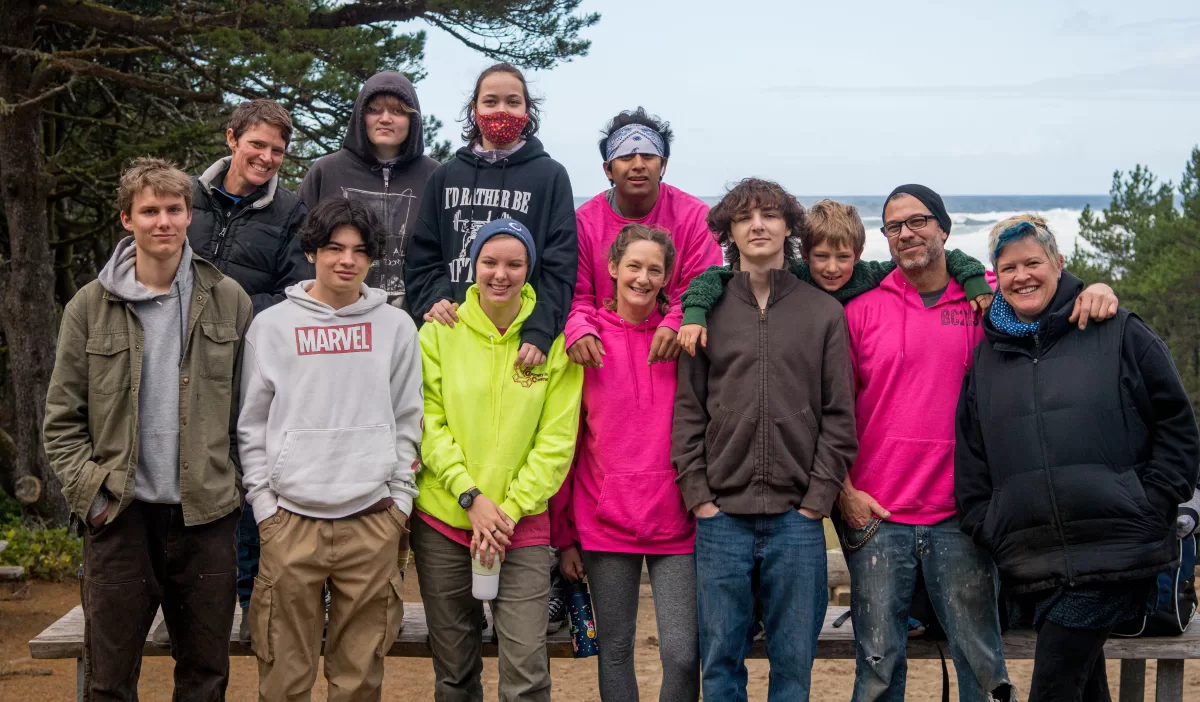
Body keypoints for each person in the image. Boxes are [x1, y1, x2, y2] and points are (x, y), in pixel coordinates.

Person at [839, 185, 1119, 702]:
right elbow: (830, 413)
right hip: (877, 518)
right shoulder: (861, 312)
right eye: (894, 226)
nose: (907, 233)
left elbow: (1046, 299)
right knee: (876, 667)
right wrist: (846, 492)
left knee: (982, 665)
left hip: (961, 516)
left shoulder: (988, 303)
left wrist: (1094, 288)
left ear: (944, 228)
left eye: (918, 221)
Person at [956, 215, 1200, 702]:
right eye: (1009, 268)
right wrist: (992, 523)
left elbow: (1178, 427)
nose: (1022, 275)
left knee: (1052, 687)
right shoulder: (987, 361)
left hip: (1116, 550)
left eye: (1033, 262)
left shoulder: (1119, 331)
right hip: (1033, 560)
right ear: (995, 277)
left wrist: (1149, 505)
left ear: (1059, 263)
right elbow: (973, 458)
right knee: (1085, 687)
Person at [43, 157, 253, 699]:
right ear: (126, 219)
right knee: (109, 680)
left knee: (205, 676)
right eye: (150, 210)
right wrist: (92, 498)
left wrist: (235, 488)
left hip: (205, 519)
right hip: (119, 518)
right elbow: (62, 421)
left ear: (190, 216)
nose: (164, 221)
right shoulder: (89, 307)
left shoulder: (228, 299)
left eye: (175, 209)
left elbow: (249, 415)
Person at [672, 178, 858, 701]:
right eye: (746, 216)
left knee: (793, 669)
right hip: (721, 519)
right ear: (730, 229)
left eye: (771, 214)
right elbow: (688, 411)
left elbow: (839, 416)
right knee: (721, 667)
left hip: (797, 523)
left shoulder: (823, 312)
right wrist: (700, 500)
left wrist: (816, 502)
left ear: (788, 227)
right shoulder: (705, 310)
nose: (758, 224)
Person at [237, 198, 421, 700]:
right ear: (313, 251)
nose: (347, 260)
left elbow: (409, 418)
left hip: (372, 520)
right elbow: (251, 425)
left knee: (359, 681)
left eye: (360, 251)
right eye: (335, 248)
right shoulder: (271, 326)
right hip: (290, 521)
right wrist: (265, 507)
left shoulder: (396, 328)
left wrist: (399, 503)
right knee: (283, 679)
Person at [411, 218, 583, 701]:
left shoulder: (551, 340)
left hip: (520, 526)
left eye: (514, 263)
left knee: (527, 674)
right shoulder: (439, 331)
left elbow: (556, 441)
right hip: (444, 519)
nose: (500, 274)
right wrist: (469, 496)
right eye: (489, 262)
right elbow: (428, 423)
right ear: (473, 265)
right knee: (455, 672)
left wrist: (506, 510)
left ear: (530, 269)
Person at [551, 225, 700, 702]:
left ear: (666, 277)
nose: (642, 278)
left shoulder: (682, 342)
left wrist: (677, 315)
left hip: (676, 523)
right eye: (633, 266)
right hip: (604, 521)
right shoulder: (584, 343)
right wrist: (564, 535)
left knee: (682, 653)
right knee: (615, 650)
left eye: (654, 269)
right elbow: (565, 445)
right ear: (612, 268)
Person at [185, 98, 313, 644]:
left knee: (245, 477)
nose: (265, 157)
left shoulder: (290, 213)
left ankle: (249, 608)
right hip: (177, 360)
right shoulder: (184, 195)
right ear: (232, 138)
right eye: (256, 144)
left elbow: (291, 295)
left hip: (245, 363)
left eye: (277, 151)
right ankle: (187, 601)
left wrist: (224, 312)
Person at [404, 62, 578, 371]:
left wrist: (540, 330)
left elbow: (560, 265)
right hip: (454, 331)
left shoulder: (550, 176)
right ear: (475, 107)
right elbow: (422, 254)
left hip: (521, 341)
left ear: (527, 110)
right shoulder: (446, 175)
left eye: (513, 102)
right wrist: (434, 298)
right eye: (490, 101)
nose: (502, 111)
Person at [676, 198, 993, 355]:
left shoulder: (866, 274)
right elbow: (717, 275)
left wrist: (973, 280)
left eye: (843, 258)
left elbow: (939, 258)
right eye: (821, 257)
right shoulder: (794, 274)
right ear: (805, 253)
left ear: (858, 254)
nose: (832, 268)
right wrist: (694, 312)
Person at [565, 107, 722, 368]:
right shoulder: (582, 223)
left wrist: (675, 320)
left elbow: (703, 282)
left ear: (664, 165)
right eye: (626, 156)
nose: (638, 164)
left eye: (648, 155)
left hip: (674, 351)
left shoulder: (696, 217)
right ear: (608, 169)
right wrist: (579, 327)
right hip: (604, 354)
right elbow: (576, 294)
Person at [300, 70, 440, 308]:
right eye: (374, 110)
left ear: (412, 120)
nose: (385, 118)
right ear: (360, 116)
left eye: (397, 111)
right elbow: (300, 247)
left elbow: (443, 254)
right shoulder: (326, 171)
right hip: (336, 318)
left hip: (416, 321)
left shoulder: (435, 176)